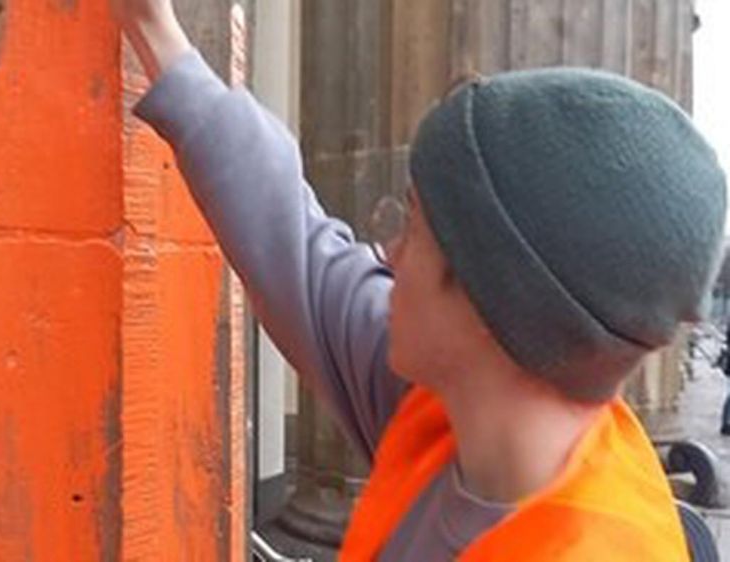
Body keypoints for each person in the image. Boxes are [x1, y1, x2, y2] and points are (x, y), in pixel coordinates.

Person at [110, 2, 728, 560]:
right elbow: (293, 244)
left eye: (414, 229)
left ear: (496, 304)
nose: (388, 252)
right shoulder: (457, 403)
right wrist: (152, 25)